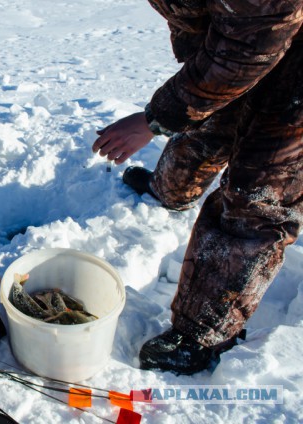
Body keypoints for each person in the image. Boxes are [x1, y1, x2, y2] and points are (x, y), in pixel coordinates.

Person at [93, 1, 303, 375]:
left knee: (257, 195)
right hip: (230, 50)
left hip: (289, 67)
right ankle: (169, 191)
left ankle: (202, 335)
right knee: (205, 126)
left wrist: (153, 120)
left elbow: (254, 40)